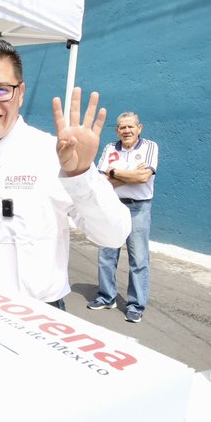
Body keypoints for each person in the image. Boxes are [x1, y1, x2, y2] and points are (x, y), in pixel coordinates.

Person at [0, 37, 130, 308]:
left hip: (36, 322)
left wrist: (81, 174)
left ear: (21, 92)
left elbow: (114, 234)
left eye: (2, 89)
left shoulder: (53, 156)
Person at [88, 112, 159, 323]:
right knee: (106, 254)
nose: (126, 131)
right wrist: (129, 175)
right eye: (122, 127)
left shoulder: (150, 147)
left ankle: (136, 305)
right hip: (112, 206)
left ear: (140, 128)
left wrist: (114, 173)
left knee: (138, 259)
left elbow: (144, 176)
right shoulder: (110, 148)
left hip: (138, 209)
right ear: (117, 130)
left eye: (130, 126)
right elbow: (101, 182)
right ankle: (106, 296)